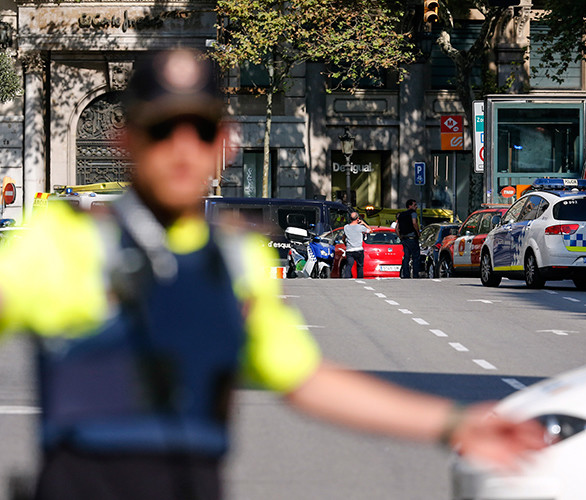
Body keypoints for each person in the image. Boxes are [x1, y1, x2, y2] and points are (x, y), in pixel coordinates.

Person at [0, 49, 544, 500]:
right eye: (162, 129)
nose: (183, 149)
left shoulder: (238, 261)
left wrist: (453, 424)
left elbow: (305, 380)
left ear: (225, 142)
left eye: (200, 129)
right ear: (128, 141)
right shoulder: (63, 244)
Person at [396, 199, 421, 278]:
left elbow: (396, 228)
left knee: (406, 257)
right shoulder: (413, 213)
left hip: (404, 238)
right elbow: (414, 223)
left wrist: (400, 237)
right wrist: (418, 232)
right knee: (415, 257)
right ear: (410, 206)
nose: (416, 207)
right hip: (412, 238)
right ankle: (415, 274)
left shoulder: (401, 215)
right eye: (414, 205)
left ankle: (405, 274)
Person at [342, 211, 371, 278]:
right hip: (358, 250)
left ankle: (347, 279)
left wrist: (345, 244)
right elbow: (370, 230)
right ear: (358, 219)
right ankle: (360, 278)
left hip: (349, 250)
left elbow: (343, 238)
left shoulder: (346, 227)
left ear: (350, 219)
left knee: (349, 266)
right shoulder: (360, 227)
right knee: (360, 266)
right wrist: (364, 223)